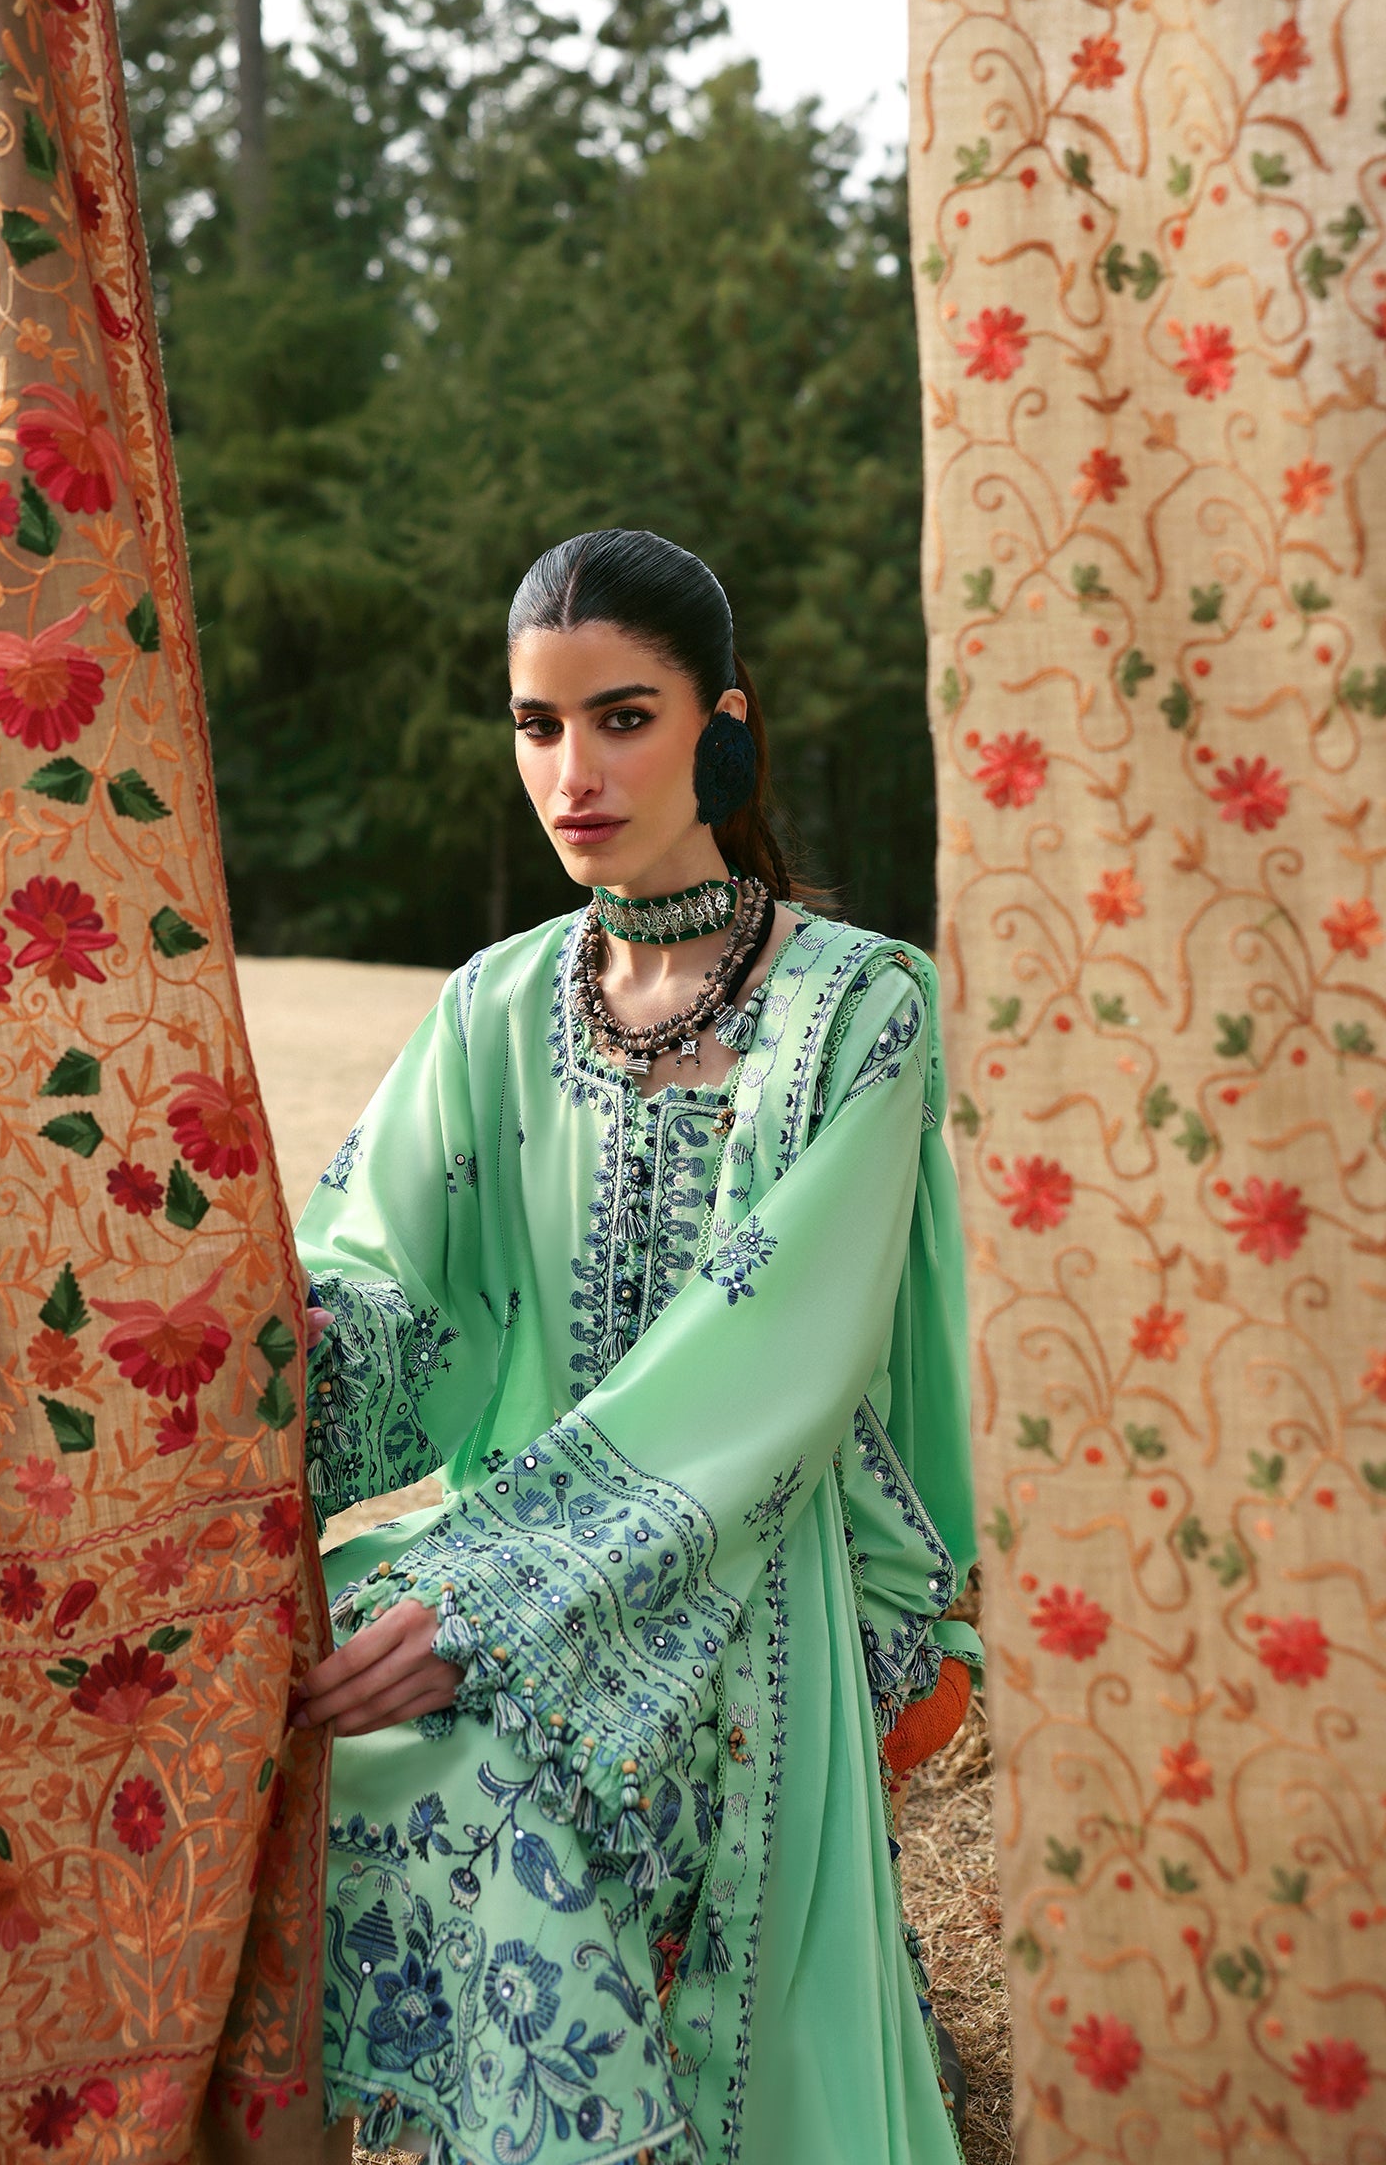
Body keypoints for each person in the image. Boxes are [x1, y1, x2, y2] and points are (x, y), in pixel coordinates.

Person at [293, 529, 981, 2165]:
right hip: (510, 1548)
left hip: (764, 1576)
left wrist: (489, 1607)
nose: (573, 773)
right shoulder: (496, 1003)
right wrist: (256, 1354)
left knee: (488, 1774)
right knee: (270, 1730)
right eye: (538, 726)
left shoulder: (861, 1008)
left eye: (622, 718)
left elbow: (776, 1365)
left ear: (718, 728)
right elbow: (385, 1292)